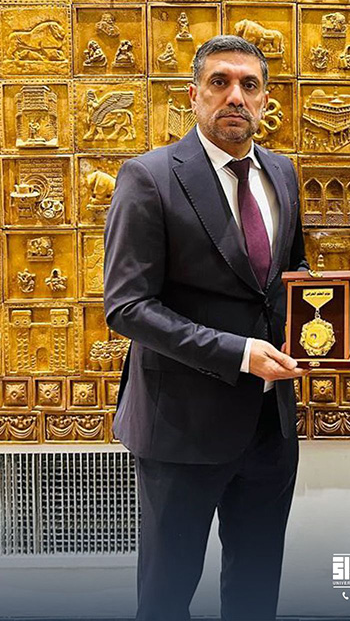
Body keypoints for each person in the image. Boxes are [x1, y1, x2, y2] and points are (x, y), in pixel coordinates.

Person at [103, 35, 307, 621]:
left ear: (266, 100)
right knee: (167, 596)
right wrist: (238, 353)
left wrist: (326, 321)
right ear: (193, 95)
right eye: (220, 82)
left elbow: (290, 276)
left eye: (249, 85)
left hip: (269, 426)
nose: (235, 96)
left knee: (255, 591)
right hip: (180, 428)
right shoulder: (149, 177)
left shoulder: (282, 173)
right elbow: (127, 306)